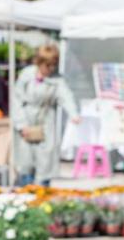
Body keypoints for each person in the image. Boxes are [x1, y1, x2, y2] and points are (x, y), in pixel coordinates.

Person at [12, 44, 80, 187]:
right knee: (25, 160)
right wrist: (21, 124)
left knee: (46, 158)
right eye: (47, 65)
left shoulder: (57, 79)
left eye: (53, 65)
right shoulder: (27, 74)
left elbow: (66, 96)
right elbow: (16, 99)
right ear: (39, 62)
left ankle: (42, 190)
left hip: (46, 121)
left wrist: (74, 114)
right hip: (26, 120)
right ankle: (25, 190)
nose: (50, 69)